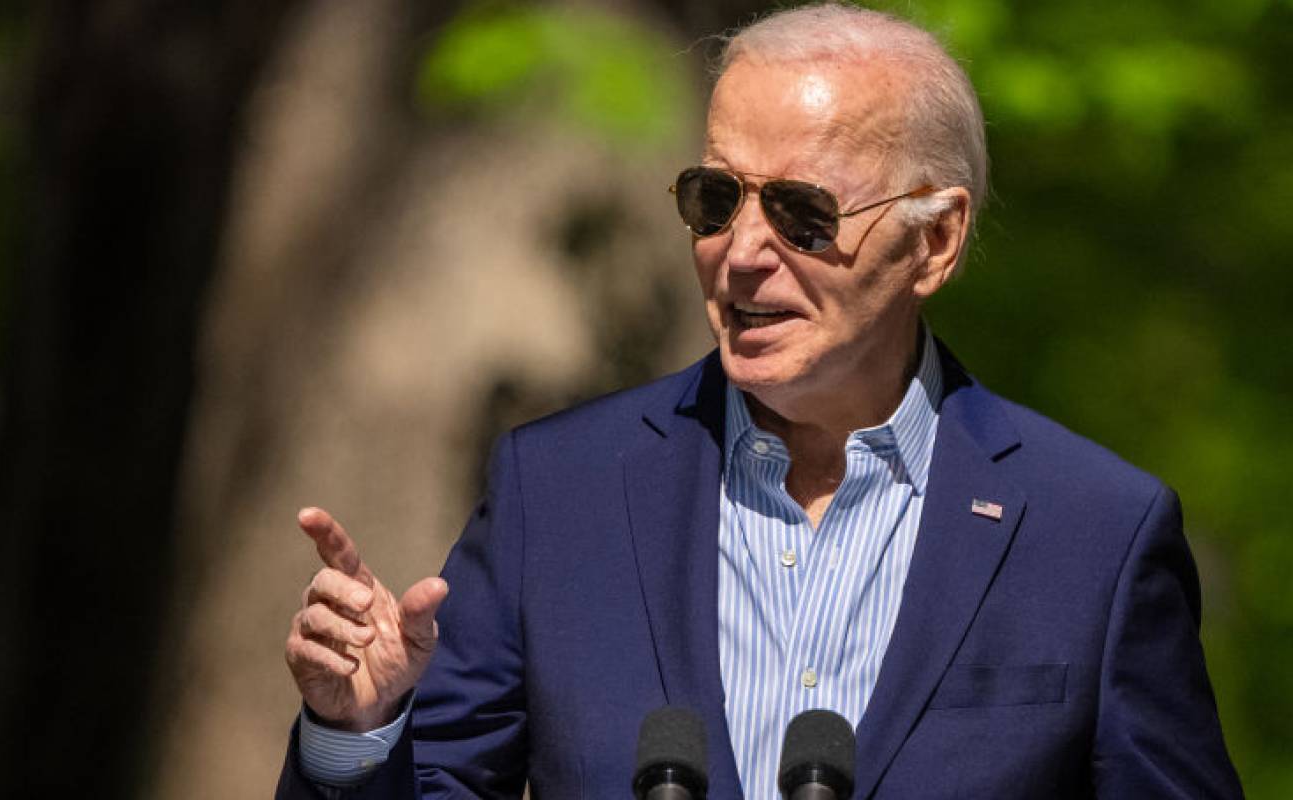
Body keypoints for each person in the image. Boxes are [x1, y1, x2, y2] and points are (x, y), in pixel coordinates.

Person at [276, 4, 1242, 798]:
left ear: (934, 242)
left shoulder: (1094, 534)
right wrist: (360, 733)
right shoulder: (559, 492)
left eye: (801, 212)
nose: (741, 253)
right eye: (715, 199)